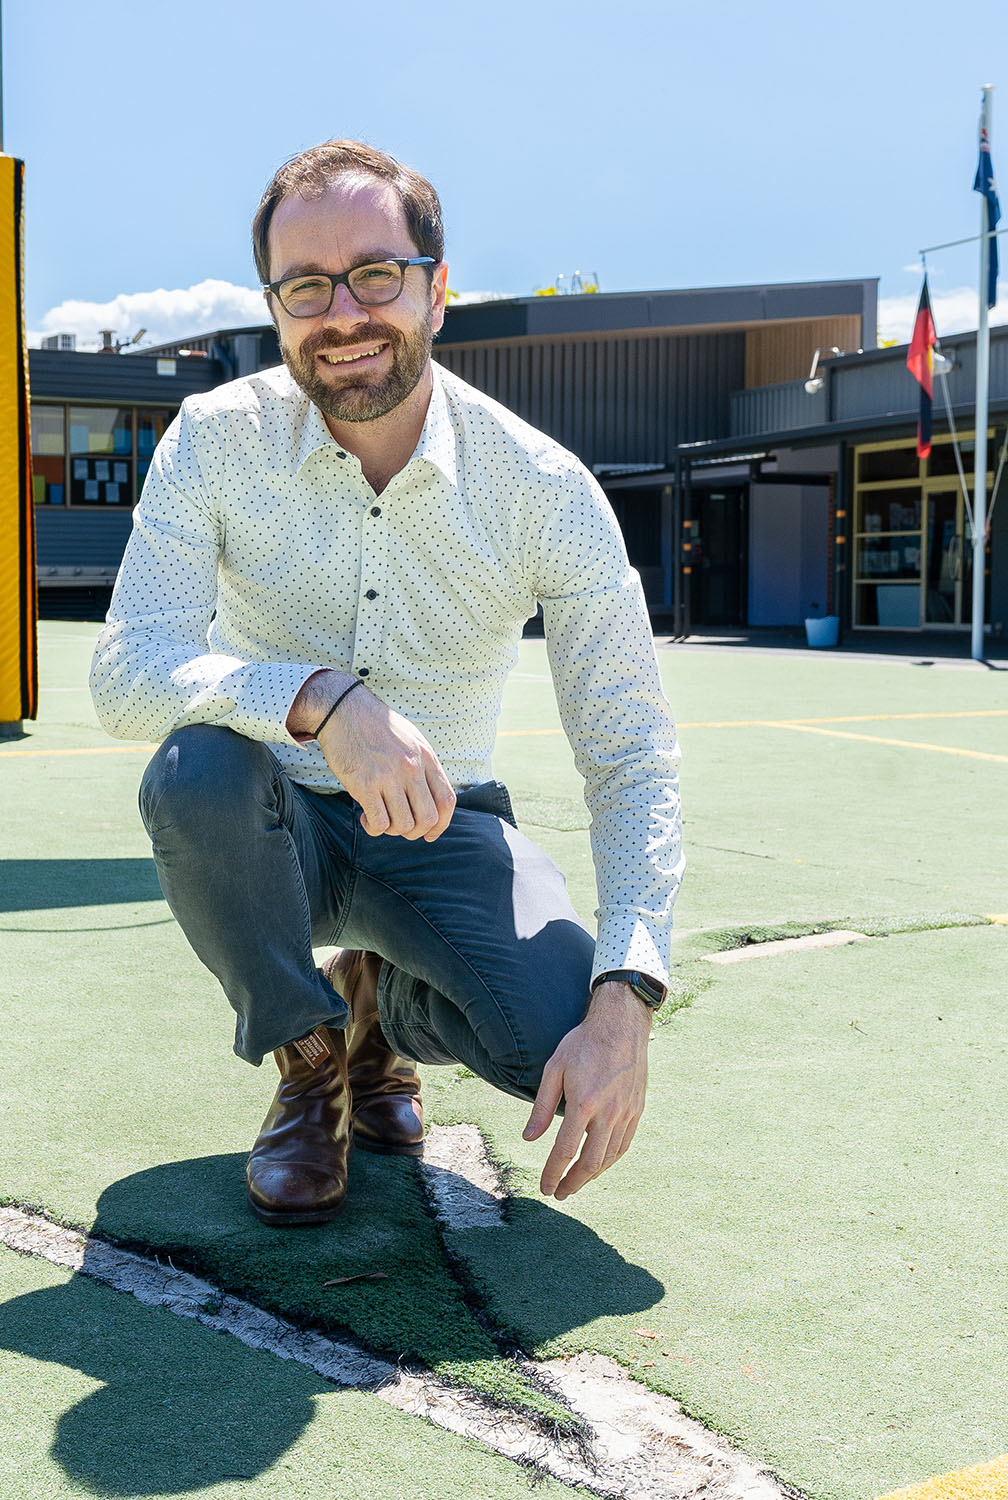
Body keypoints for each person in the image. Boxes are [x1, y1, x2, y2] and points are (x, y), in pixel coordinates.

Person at [91, 140, 684, 1228]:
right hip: (270, 829)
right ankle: (310, 1059)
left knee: (552, 1035)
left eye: (377, 273)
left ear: (437, 290)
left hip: (442, 823)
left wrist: (627, 996)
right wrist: (319, 699)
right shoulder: (215, 443)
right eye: (306, 286)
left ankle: (383, 1018)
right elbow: (127, 671)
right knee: (193, 767)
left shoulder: (543, 488)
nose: (344, 313)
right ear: (275, 307)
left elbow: (631, 754)